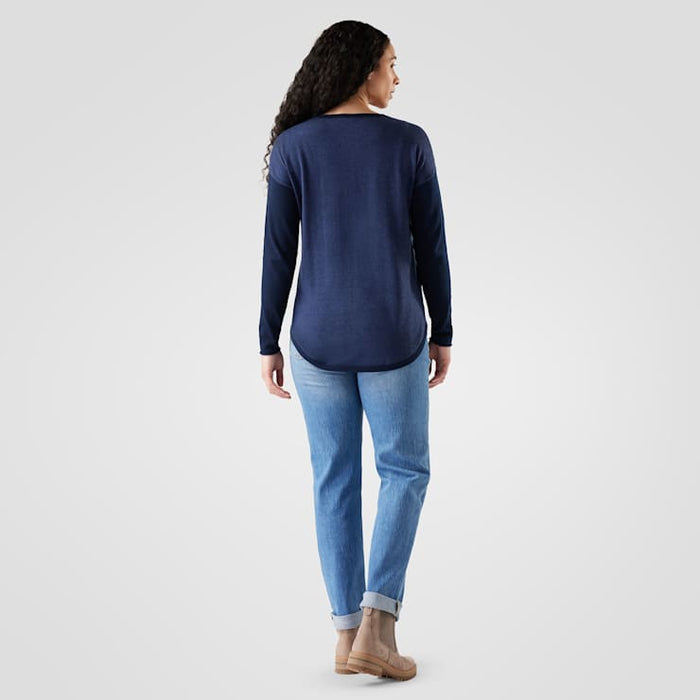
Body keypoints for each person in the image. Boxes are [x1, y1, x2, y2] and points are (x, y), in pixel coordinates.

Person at [258, 20, 452, 681]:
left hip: (314, 338)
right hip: (393, 332)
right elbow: (432, 245)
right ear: (365, 68)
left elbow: (278, 252)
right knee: (404, 471)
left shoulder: (295, 146)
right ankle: (379, 625)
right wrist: (444, 330)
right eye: (392, 64)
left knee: (333, 479)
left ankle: (346, 636)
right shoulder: (408, 142)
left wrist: (267, 340)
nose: (397, 77)